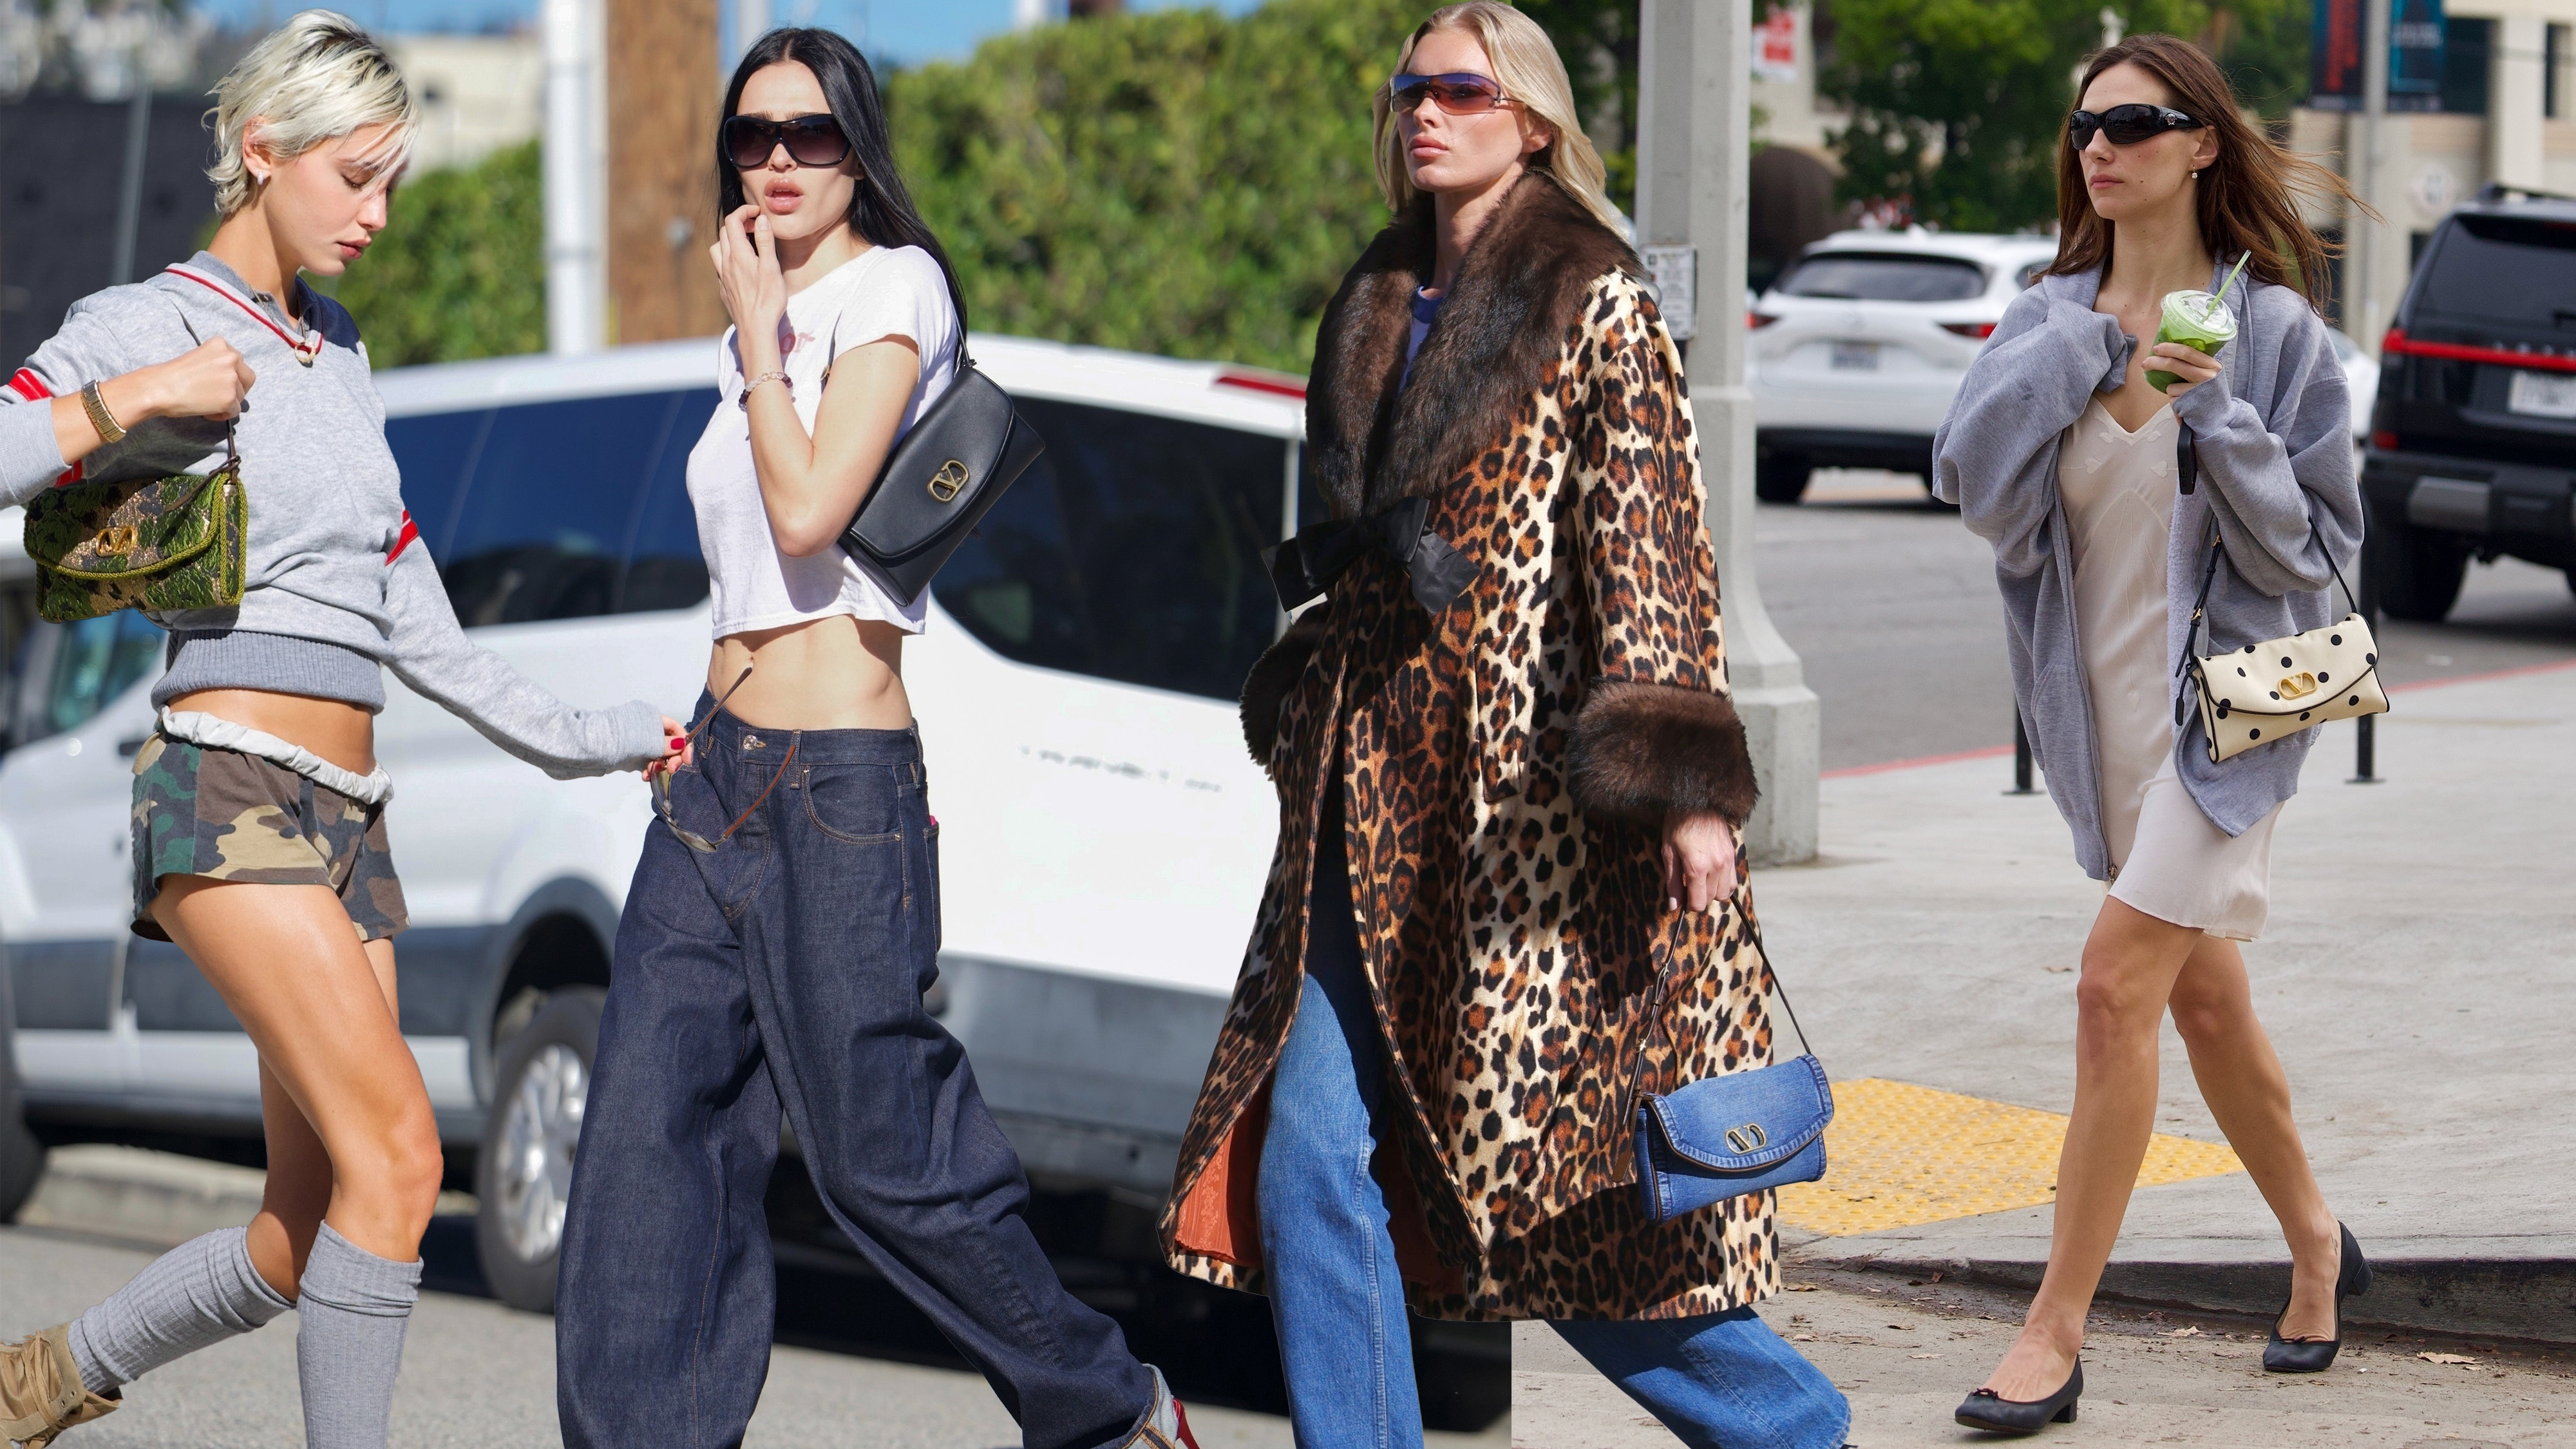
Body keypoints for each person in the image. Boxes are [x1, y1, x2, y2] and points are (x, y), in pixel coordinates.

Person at [1157, 6, 1852, 1447]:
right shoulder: (1371, 298)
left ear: (1526, 116)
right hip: (1364, 803)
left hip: (1519, 822)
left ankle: (1789, 1430)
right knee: (1308, 1166)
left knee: (1548, 1195)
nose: (1426, 111)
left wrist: (1684, 788)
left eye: (1461, 89)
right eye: (1411, 88)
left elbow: (1651, 542)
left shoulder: (1593, 295)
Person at [0, 12, 682, 1448]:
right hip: (223, 786)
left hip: (347, 821)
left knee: (302, 1233)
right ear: (263, 152)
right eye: (356, 178)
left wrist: (609, 733)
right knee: (402, 1155)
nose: (377, 215)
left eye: (393, 184)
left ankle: (44, 1378)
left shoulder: (343, 353)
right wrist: (137, 401)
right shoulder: (148, 318)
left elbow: (414, 622)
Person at [549, 30, 1196, 1449]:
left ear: (857, 146)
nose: (775, 160)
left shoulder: (890, 289)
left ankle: (1111, 1404)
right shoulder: (760, 318)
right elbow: (744, 575)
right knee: (647, 1151)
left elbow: (808, 517)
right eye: (750, 137)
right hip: (711, 774)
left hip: (837, 780)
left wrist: (759, 326)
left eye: (810, 135)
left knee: (879, 1153)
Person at [1931, 35, 2372, 1435]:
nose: (2097, 148)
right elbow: (1975, 487)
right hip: (2100, 721)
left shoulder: (2278, 334)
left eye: (2132, 123)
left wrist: (2216, 410)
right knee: (2199, 999)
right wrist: (2079, 352)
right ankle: (2314, 1242)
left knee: (2112, 988)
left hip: (2229, 724)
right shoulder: (2044, 315)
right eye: (2081, 130)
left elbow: (2309, 555)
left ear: (2199, 144)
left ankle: (2051, 1336)